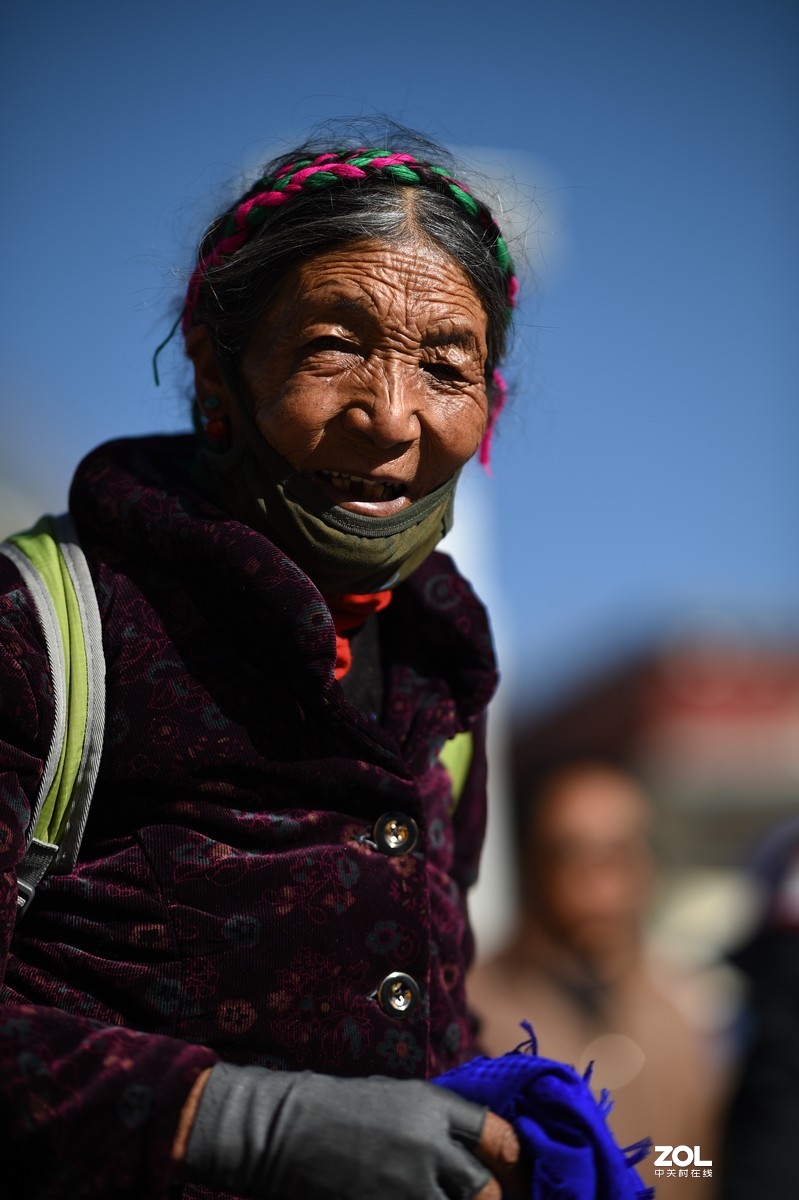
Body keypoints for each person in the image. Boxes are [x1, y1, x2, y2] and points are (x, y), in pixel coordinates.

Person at [0, 126, 524, 1199]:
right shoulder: (46, 629)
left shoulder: (444, 682)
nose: (390, 416)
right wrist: (244, 1121)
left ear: (490, 403)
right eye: (333, 345)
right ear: (216, 370)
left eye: (445, 365)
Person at [469, 757, 724, 1197]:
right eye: (570, 852)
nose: (595, 879)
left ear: (647, 865)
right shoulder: (471, 1010)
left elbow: (694, 1165)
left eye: (616, 853)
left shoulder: (693, 1010)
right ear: (533, 864)